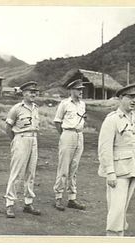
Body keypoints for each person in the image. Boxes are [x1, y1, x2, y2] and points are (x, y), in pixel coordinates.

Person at [98, 84, 135, 237]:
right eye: (130, 97)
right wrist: (110, 172)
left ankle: (119, 239)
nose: (134, 101)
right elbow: (104, 148)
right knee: (116, 209)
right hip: (118, 170)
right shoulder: (112, 120)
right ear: (120, 98)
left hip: (133, 168)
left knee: (122, 209)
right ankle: (112, 240)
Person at [4, 81, 41, 218]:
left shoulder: (36, 108)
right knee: (16, 173)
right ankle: (9, 204)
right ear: (23, 93)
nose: (33, 94)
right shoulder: (16, 108)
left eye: (34, 92)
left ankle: (28, 203)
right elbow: (8, 128)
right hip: (21, 139)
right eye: (30, 92)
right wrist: (16, 140)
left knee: (31, 173)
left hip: (33, 139)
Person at [53, 79, 87, 211]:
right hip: (68, 134)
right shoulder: (64, 104)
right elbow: (57, 121)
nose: (81, 91)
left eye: (81, 89)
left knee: (74, 168)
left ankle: (72, 198)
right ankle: (58, 197)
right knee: (63, 168)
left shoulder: (82, 104)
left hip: (79, 135)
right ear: (72, 90)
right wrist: (64, 135)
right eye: (78, 89)